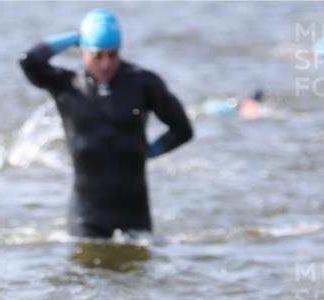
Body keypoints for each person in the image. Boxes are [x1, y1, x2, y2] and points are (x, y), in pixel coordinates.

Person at [19, 8, 193, 238]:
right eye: (97, 55)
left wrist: (149, 151)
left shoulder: (143, 83)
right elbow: (29, 60)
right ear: (83, 51)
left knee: (138, 271)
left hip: (135, 212)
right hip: (87, 215)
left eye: (112, 54)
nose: (105, 64)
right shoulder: (67, 85)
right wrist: (74, 36)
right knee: (85, 267)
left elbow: (182, 130)